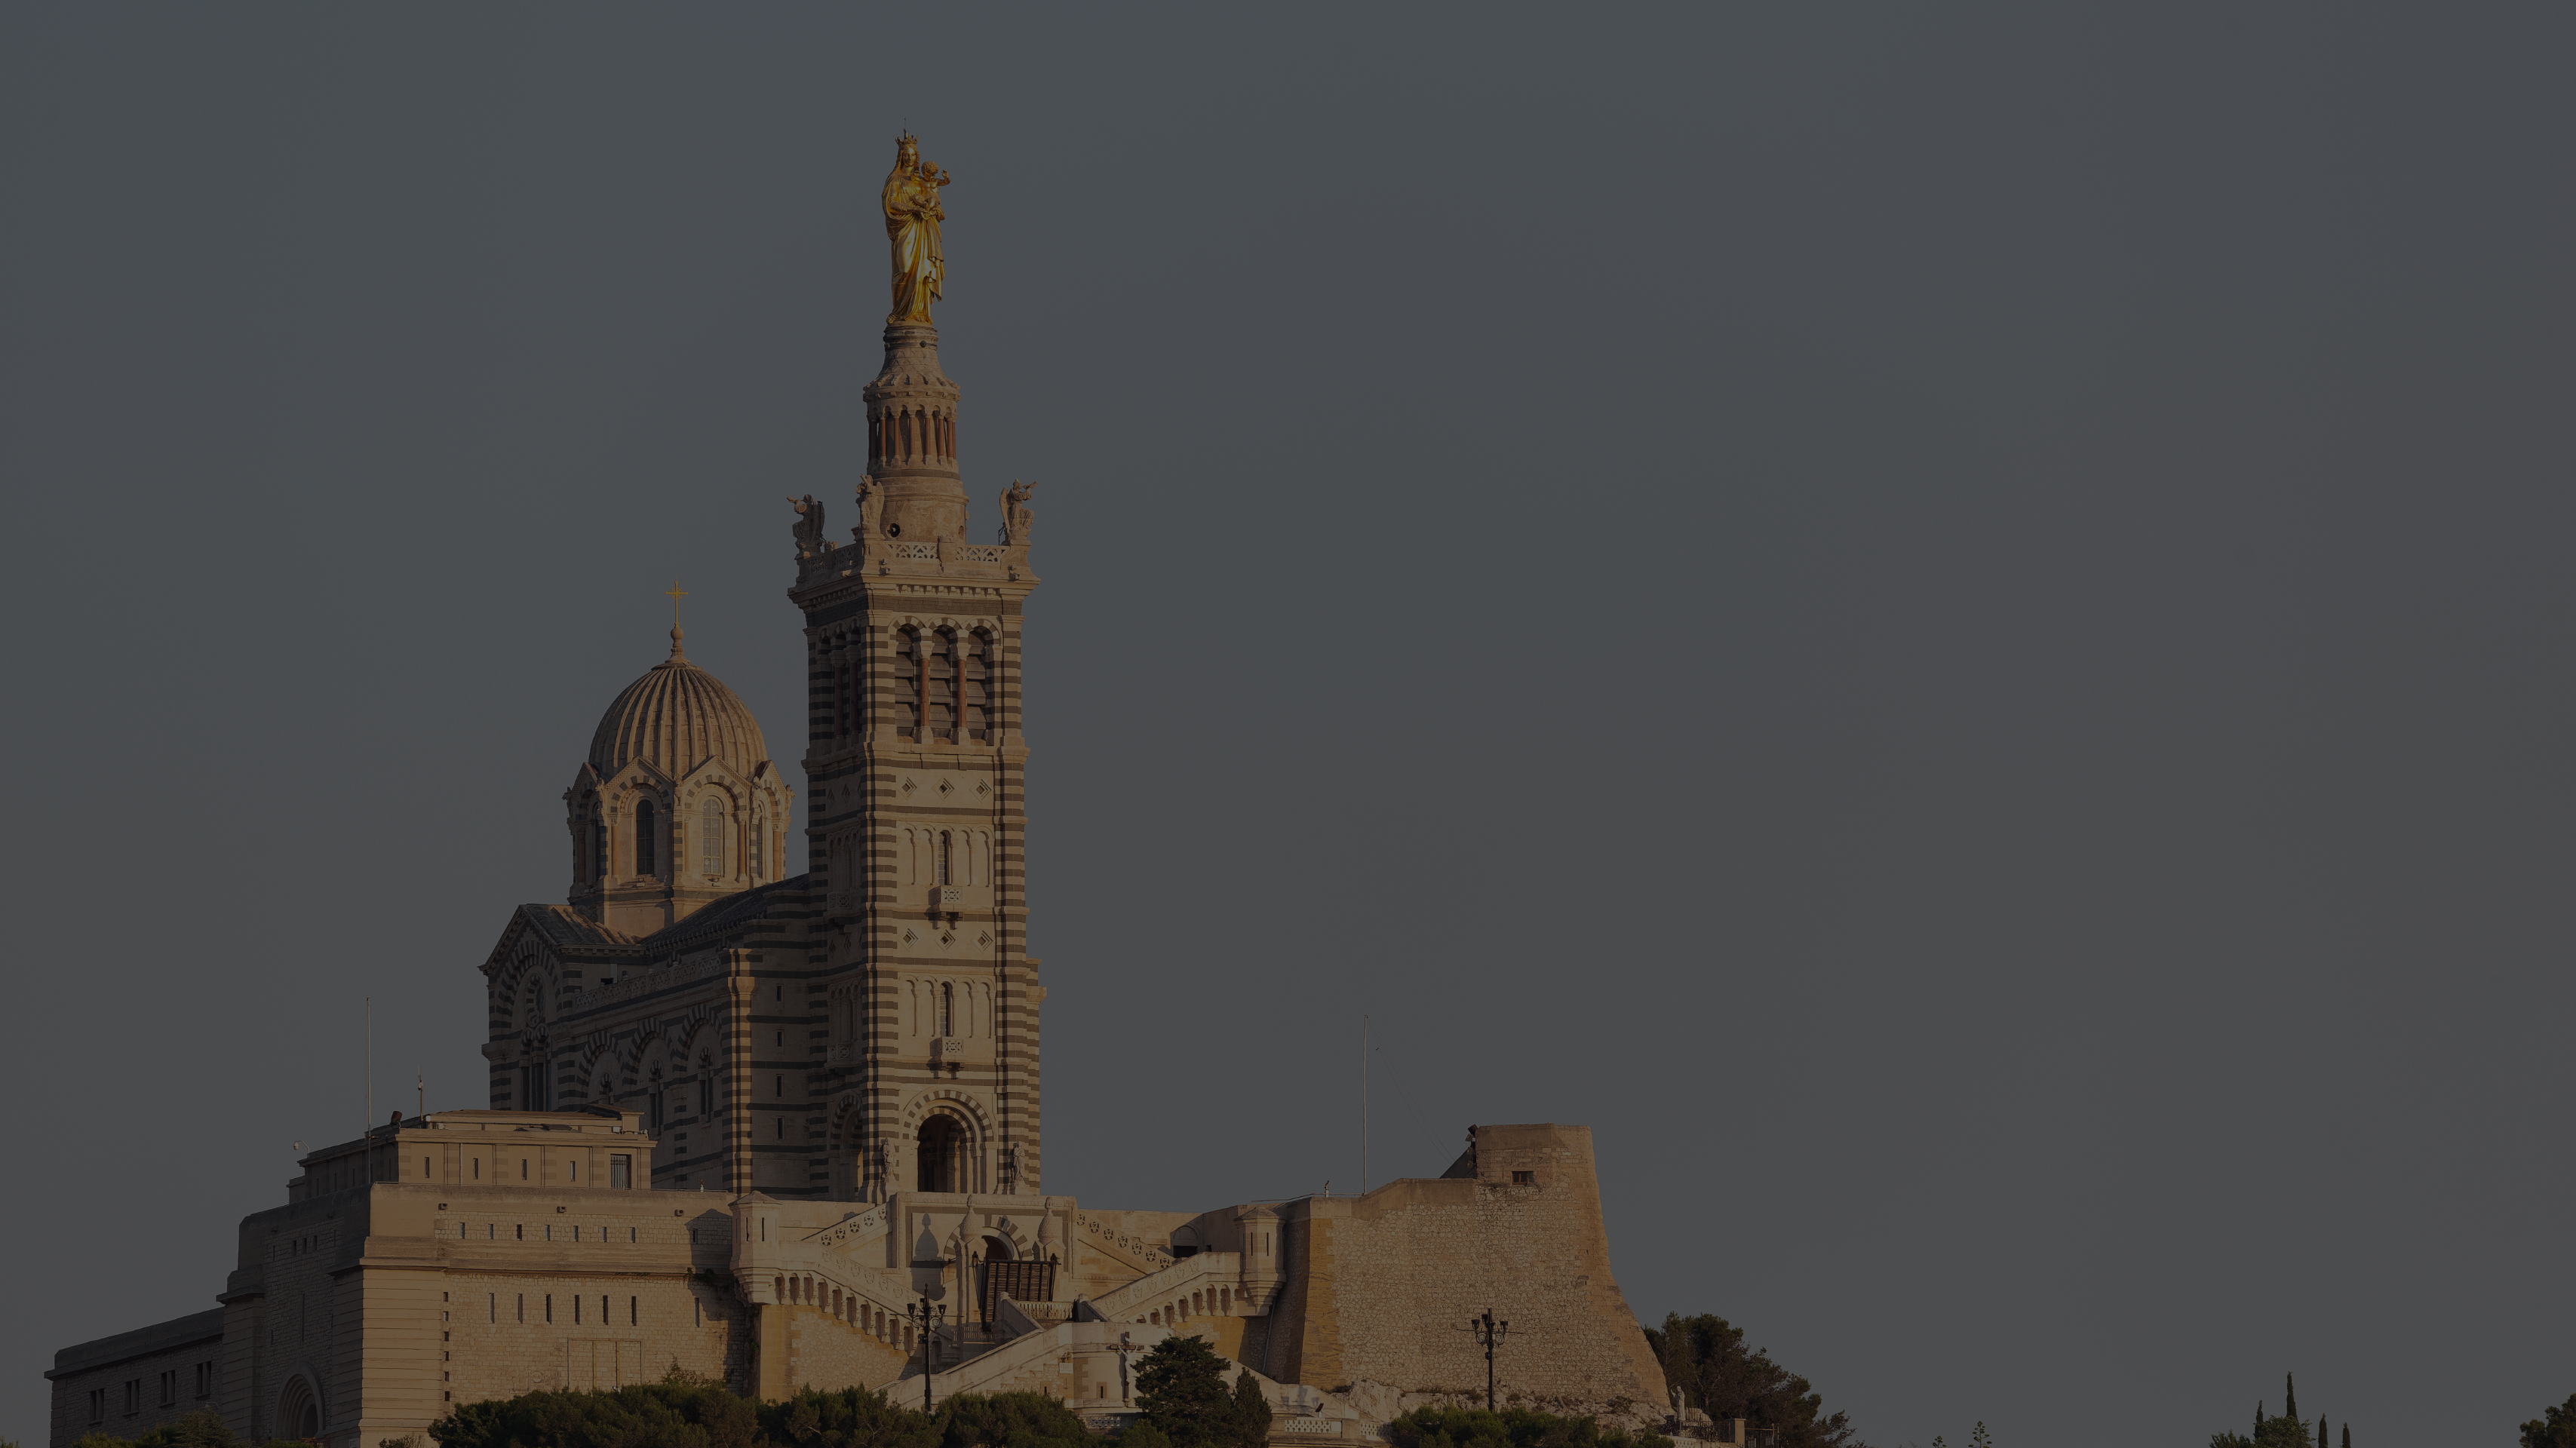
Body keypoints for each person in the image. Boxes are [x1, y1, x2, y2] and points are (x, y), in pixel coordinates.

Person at [882, 133, 949, 324]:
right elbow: (891, 204)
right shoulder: (895, 179)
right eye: (906, 154)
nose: (909, 158)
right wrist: (914, 209)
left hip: (924, 230)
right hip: (905, 228)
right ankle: (900, 311)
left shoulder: (923, 181)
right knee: (904, 268)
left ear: (917, 157)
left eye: (912, 155)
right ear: (900, 156)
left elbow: (933, 200)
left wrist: (936, 210)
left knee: (922, 271)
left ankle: (919, 312)